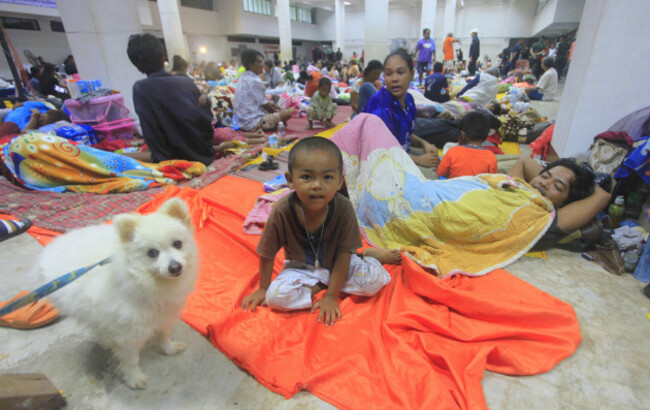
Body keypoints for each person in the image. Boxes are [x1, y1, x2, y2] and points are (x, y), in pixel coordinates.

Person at [240, 137, 393, 325]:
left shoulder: (343, 208)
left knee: (373, 283)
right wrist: (263, 288)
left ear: (339, 182)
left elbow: (343, 255)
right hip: (301, 267)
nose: (317, 185)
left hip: (339, 262)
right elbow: (267, 253)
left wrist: (331, 297)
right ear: (290, 180)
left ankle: (366, 256)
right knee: (275, 298)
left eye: (327, 177)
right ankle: (322, 282)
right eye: (306, 177)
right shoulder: (281, 211)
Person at [127, 33, 215, 165]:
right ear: (163, 59)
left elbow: (151, 132)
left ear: (137, 66)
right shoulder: (185, 82)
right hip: (204, 153)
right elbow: (206, 121)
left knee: (122, 158)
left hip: (173, 161)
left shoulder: (141, 88)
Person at [508, 157, 611, 250]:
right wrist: (559, 173)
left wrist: (584, 180)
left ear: (566, 205)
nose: (544, 183)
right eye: (544, 176)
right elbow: (524, 161)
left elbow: (602, 196)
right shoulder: (515, 188)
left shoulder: (545, 224)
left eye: (557, 187)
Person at [362, 49, 440, 170]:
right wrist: (419, 160)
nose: (394, 79)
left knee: (437, 159)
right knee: (432, 176)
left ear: (412, 74)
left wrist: (425, 144)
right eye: (388, 74)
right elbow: (383, 152)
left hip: (401, 153)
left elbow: (407, 135)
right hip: (382, 163)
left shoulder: (409, 100)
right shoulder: (382, 110)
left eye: (400, 72)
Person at [234, 49, 291, 132]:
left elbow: (260, 101)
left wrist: (273, 106)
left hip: (241, 122)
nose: (262, 65)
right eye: (259, 62)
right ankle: (264, 125)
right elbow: (266, 106)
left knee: (276, 106)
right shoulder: (255, 80)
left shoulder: (243, 77)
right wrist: (279, 116)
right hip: (252, 123)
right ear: (251, 65)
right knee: (286, 114)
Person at [437, 111, 497, 179]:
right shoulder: (491, 156)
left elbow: (441, 173)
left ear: (462, 135)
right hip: (478, 189)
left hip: (454, 188)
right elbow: (492, 179)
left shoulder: (453, 151)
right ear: (485, 138)